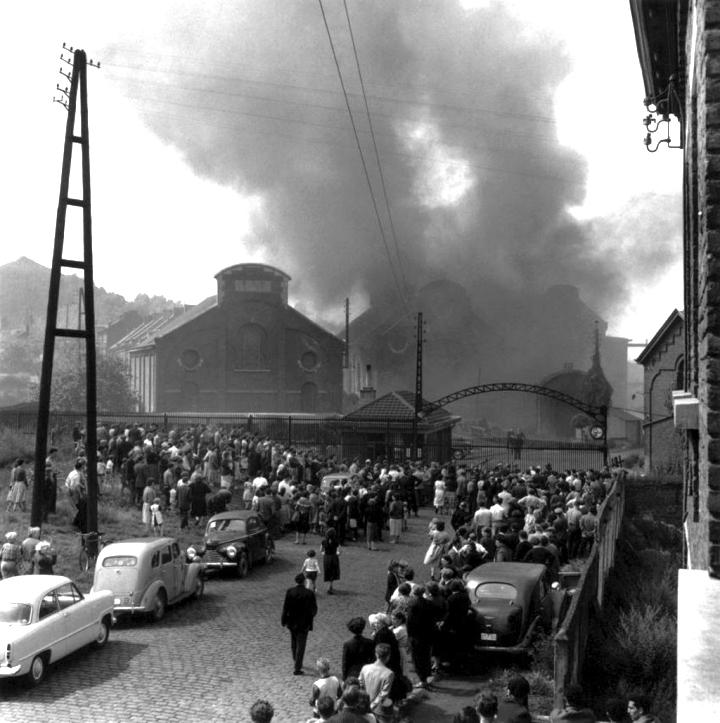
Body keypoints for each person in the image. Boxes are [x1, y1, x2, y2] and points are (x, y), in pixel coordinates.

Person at [281, 572, 318, 675]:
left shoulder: (290, 592)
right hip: (304, 623)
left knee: (293, 642)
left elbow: (285, 607)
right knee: (301, 645)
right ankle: (297, 666)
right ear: (304, 581)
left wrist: (283, 620)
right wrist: (310, 617)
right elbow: (314, 609)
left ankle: (295, 658)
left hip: (292, 622)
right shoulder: (309, 593)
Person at [358, 643, 394, 719]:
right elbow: (384, 694)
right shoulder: (389, 673)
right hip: (378, 709)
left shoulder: (365, 668)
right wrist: (373, 705)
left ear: (376, 654)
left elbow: (359, 685)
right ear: (388, 656)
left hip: (364, 704)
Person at [341, 616, 375, 681]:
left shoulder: (348, 644)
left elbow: (345, 662)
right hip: (366, 671)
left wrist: (344, 677)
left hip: (352, 673)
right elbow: (372, 659)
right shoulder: (370, 642)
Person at [321, 527, 341, 594]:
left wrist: (324, 553)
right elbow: (339, 551)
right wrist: (337, 554)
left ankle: (329, 586)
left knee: (327, 571)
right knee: (333, 572)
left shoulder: (324, 541)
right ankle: (330, 586)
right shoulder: (336, 541)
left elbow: (321, 550)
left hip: (326, 558)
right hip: (334, 557)